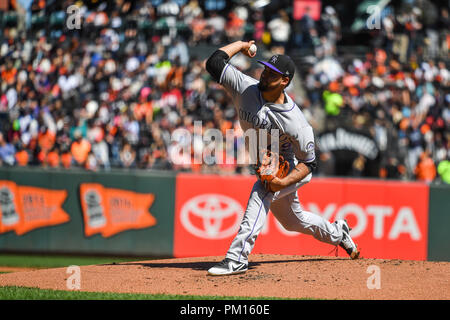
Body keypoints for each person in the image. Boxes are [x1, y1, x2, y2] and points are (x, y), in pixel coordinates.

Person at [204, 40, 360, 276]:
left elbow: (309, 162)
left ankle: (237, 259)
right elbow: (214, 63)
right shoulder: (245, 87)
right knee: (293, 221)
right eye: (265, 69)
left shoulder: (296, 122)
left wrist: (283, 182)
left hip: (289, 167)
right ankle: (339, 233)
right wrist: (242, 44)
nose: (265, 75)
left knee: (262, 191)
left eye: (272, 74)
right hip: (266, 165)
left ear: (285, 81)